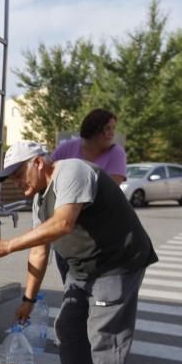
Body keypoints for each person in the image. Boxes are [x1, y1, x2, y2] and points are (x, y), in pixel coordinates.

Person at [0, 140, 157, 364]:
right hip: (83, 268)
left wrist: (7, 245)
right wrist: (28, 299)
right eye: (11, 178)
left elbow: (63, 224)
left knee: (106, 338)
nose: (16, 182)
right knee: (68, 329)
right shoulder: (40, 200)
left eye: (18, 173)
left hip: (116, 264)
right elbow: (39, 251)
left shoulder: (72, 172)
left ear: (38, 163)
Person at [50, 108, 127, 281]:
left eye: (113, 129)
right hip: (67, 232)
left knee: (94, 286)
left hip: (99, 234)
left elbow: (109, 190)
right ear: (94, 128)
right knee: (71, 285)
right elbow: (48, 177)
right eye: (108, 128)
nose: (112, 134)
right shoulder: (68, 148)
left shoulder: (116, 153)